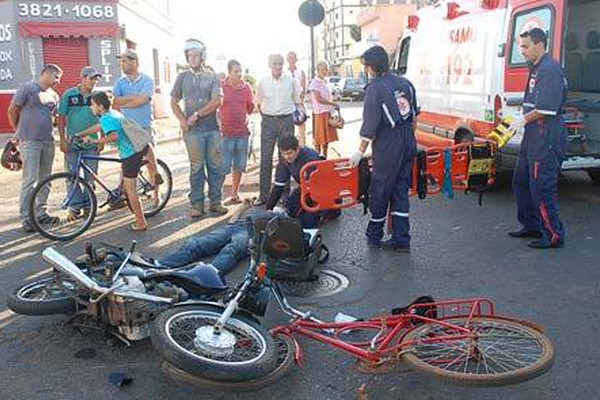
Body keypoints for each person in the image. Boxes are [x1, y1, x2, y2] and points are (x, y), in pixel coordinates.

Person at [349, 46, 418, 253]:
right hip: (408, 139)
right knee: (400, 191)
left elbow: (370, 126)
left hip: (389, 142)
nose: (367, 70)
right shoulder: (406, 83)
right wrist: (408, 141)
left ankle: (374, 235)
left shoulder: (375, 88)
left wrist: (360, 151)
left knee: (380, 189)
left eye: (367, 66)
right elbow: (414, 117)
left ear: (373, 66)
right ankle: (401, 239)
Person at [507, 28, 567, 249]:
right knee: (521, 181)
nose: (521, 51)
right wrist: (517, 119)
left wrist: (522, 120)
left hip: (546, 135)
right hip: (533, 135)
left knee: (541, 186)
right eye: (520, 46)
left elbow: (546, 109)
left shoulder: (549, 70)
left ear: (539, 45)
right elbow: (533, 103)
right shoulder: (536, 68)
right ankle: (532, 225)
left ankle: (553, 235)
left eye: (525, 46)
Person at [85, 91, 159, 231]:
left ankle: (141, 222)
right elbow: (98, 127)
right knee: (127, 185)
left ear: (100, 106)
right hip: (140, 146)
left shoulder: (106, 118)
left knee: (130, 190)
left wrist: (94, 140)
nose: (90, 107)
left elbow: (114, 136)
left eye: (92, 104)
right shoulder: (112, 113)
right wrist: (80, 134)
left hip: (131, 154)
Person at [171, 38, 227, 218]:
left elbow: (217, 101)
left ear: (202, 56)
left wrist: (196, 115)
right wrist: (182, 119)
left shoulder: (212, 76)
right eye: (190, 56)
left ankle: (216, 202)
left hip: (212, 130)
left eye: (196, 55)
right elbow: (174, 102)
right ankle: (196, 204)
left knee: (215, 167)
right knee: (196, 168)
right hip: (193, 133)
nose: (193, 59)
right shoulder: (182, 77)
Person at [158, 199, 285, 274]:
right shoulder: (255, 210)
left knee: (231, 250)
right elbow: (231, 222)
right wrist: (242, 207)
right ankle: (158, 267)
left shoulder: (280, 218)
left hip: (252, 232)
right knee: (195, 244)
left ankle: (207, 277)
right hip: (234, 226)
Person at [7, 64, 62, 233]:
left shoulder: (53, 95)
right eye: (56, 77)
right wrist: (18, 131)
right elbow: (12, 110)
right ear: (46, 73)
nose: (58, 81)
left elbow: (54, 117)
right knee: (30, 179)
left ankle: (41, 214)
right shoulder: (27, 88)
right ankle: (26, 217)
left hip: (47, 141)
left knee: (45, 178)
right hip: (29, 141)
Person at [266, 135, 340, 229]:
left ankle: (332, 211)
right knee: (289, 209)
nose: (286, 157)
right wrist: (268, 209)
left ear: (297, 149)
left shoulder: (310, 158)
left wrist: (302, 206)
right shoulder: (284, 160)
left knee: (305, 223)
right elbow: (278, 187)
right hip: (306, 189)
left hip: (325, 191)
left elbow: (317, 188)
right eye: (283, 153)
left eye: (289, 153)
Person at [57, 66, 103, 219]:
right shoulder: (69, 95)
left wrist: (102, 139)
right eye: (92, 78)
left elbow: (103, 118)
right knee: (72, 176)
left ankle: (89, 206)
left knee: (90, 177)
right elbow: (61, 118)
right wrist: (62, 140)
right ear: (83, 78)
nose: (94, 82)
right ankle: (75, 207)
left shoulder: (97, 96)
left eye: (96, 79)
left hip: (92, 143)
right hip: (72, 143)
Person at [255, 54, 300, 205]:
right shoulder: (263, 82)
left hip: (286, 120)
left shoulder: (291, 81)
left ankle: (284, 194)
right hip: (268, 121)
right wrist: (267, 117)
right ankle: (264, 195)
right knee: (266, 158)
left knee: (286, 158)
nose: (278, 67)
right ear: (269, 65)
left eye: (280, 64)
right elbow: (258, 102)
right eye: (275, 64)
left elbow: (297, 100)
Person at [220, 59, 255, 206]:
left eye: (240, 71)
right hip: (225, 133)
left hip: (242, 132)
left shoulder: (247, 88)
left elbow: (250, 108)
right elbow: (216, 105)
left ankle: (234, 194)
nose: (239, 74)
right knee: (223, 167)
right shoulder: (221, 86)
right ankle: (217, 198)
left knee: (239, 166)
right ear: (229, 72)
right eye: (236, 71)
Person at [113, 49, 155, 137]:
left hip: (144, 128)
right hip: (126, 128)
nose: (121, 64)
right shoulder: (120, 82)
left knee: (147, 151)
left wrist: (123, 104)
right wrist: (135, 97)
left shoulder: (147, 81)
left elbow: (142, 101)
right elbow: (115, 101)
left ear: (134, 62)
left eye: (124, 61)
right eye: (121, 62)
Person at [308, 61, 339, 158]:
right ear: (317, 70)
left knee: (326, 138)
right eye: (322, 69)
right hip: (319, 113)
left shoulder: (325, 81)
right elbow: (319, 99)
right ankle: (317, 157)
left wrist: (332, 104)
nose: (324, 71)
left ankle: (325, 156)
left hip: (327, 112)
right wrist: (332, 103)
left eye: (326, 69)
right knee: (319, 138)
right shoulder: (315, 82)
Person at [287, 51, 307, 146]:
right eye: (289, 58)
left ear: (296, 59)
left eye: (293, 58)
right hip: (288, 104)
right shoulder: (284, 73)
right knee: (290, 130)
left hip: (299, 102)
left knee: (302, 129)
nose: (291, 60)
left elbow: (303, 87)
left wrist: (300, 101)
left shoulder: (300, 72)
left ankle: (302, 148)